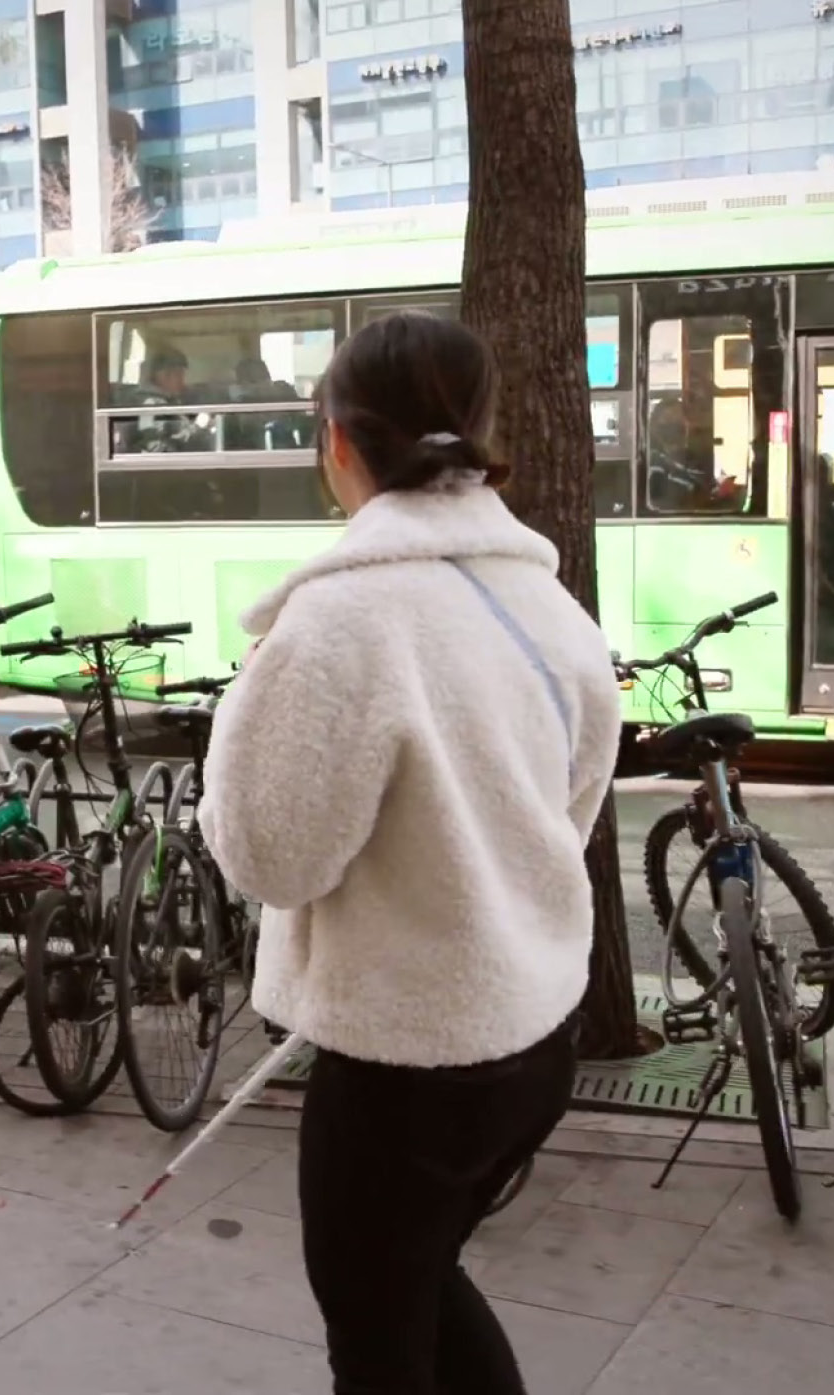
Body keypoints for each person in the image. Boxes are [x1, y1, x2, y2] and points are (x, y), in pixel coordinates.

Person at [197, 312, 621, 1395]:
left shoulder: (343, 620)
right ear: (478, 432)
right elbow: (567, 806)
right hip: (529, 1038)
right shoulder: (548, 601)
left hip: (404, 1065)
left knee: (378, 1339)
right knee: (421, 1278)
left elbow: (271, 860)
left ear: (335, 441)